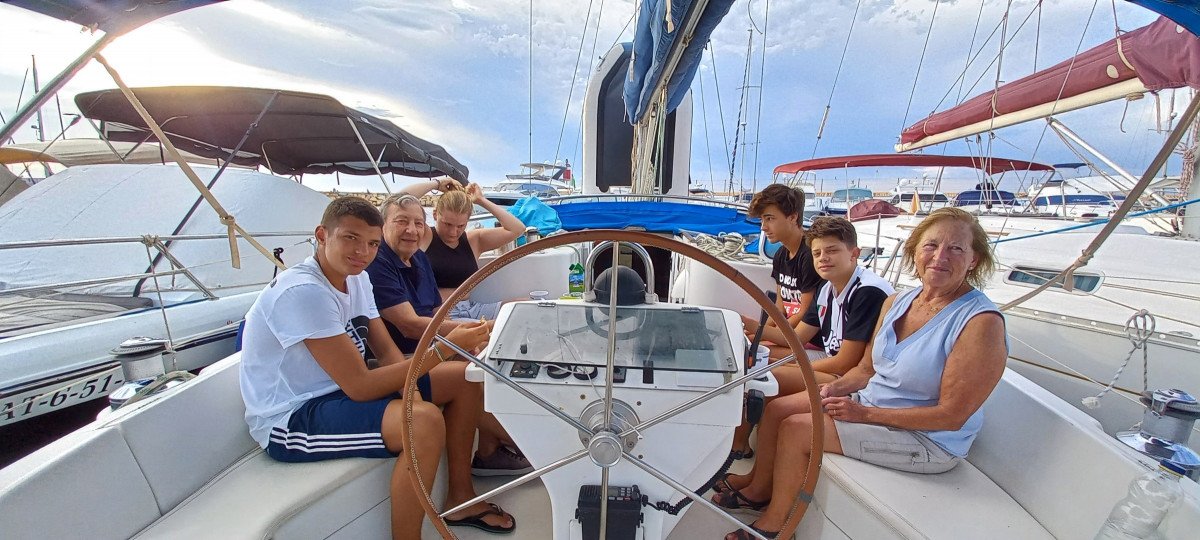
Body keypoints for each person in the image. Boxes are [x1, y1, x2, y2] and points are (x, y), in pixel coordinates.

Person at [714, 208, 1008, 540]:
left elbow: (951, 416)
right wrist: (837, 388)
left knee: (797, 429)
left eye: (956, 248)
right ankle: (760, 490)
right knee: (778, 408)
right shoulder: (897, 302)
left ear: (973, 260)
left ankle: (776, 526)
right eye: (931, 245)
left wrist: (863, 413)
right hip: (871, 403)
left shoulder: (980, 323)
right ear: (915, 251)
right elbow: (867, 369)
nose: (940, 257)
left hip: (926, 438)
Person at [238, 196, 508, 538]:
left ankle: (461, 498)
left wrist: (416, 389)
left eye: (372, 244)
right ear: (322, 235)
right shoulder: (304, 292)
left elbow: (387, 353)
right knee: (422, 422)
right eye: (350, 238)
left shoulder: (357, 278)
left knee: (462, 379)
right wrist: (443, 351)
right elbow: (361, 386)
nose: (362, 252)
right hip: (291, 417)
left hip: (337, 392)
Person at [365, 193, 532, 482]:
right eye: (401, 222)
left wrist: (466, 337)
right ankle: (525, 445)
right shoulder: (378, 264)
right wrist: (472, 331)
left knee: (489, 353)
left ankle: (491, 449)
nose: (411, 230)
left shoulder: (418, 258)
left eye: (417, 223)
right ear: (383, 225)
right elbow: (408, 326)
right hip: (402, 358)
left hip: (426, 346)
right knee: (474, 370)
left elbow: (434, 312)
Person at [728, 217, 893, 463]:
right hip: (833, 361)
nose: (823, 258)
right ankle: (738, 448)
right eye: (817, 253)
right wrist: (750, 326)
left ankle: (738, 451)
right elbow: (796, 338)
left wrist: (789, 367)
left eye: (832, 250)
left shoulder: (868, 292)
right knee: (758, 362)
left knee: (766, 376)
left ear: (854, 254)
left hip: (853, 377)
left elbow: (845, 362)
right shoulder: (826, 289)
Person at [733, 184, 823, 459]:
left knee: (755, 362)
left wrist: (761, 332)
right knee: (747, 349)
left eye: (770, 218)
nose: (764, 227)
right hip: (793, 336)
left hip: (812, 343)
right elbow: (782, 307)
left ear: (793, 217)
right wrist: (762, 332)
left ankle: (738, 445)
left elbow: (804, 313)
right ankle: (737, 441)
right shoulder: (782, 255)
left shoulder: (809, 256)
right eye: (763, 220)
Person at [422, 183, 525, 319]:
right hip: (441, 314)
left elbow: (517, 229)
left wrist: (481, 200)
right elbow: (399, 202)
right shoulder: (424, 236)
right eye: (447, 224)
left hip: (471, 308)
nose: (453, 232)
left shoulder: (474, 240)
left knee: (525, 306)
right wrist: (436, 183)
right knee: (490, 328)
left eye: (460, 226)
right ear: (435, 214)